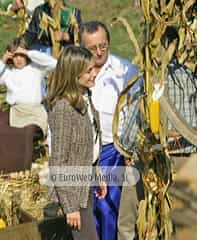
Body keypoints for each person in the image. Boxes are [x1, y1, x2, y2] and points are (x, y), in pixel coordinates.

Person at [116, 26, 197, 240]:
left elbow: (130, 131)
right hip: (186, 161)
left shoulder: (149, 80)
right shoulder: (191, 77)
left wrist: (126, 150)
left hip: (152, 163)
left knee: (127, 223)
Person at [79, 21, 141, 240]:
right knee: (87, 209)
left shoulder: (125, 71)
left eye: (103, 46)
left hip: (113, 151)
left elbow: (135, 113)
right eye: (92, 48)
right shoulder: (76, 71)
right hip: (84, 152)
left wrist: (128, 150)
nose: (98, 52)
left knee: (108, 209)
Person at [44, 45, 106, 239]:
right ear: (74, 73)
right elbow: (58, 162)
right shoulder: (64, 109)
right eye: (89, 71)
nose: (95, 73)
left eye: (94, 68)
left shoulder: (85, 97)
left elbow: (91, 144)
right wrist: (70, 207)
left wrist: (98, 174)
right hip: (71, 193)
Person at [0, 37, 56, 175]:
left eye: (21, 55)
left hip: (34, 113)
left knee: (26, 134)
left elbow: (54, 63)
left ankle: (23, 172)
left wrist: (29, 53)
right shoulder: (8, 72)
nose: (18, 59)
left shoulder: (36, 69)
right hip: (15, 112)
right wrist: (2, 61)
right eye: (15, 55)